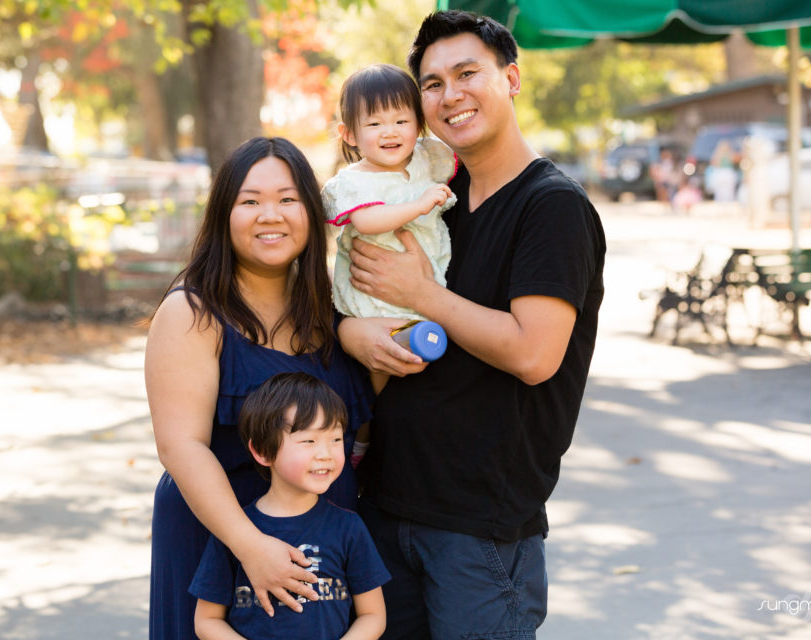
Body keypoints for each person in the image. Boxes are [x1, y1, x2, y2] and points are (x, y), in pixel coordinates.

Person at [338, 10, 607, 639]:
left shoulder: (553, 207)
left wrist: (423, 295)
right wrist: (356, 335)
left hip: (479, 531)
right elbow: (361, 301)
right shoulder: (435, 199)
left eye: (468, 73)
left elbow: (534, 354)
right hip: (385, 507)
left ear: (510, 78)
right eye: (432, 84)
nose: (450, 94)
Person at [146, 137, 374, 640]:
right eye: (250, 201)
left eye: (288, 199)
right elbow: (180, 446)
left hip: (325, 553)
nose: (270, 214)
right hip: (214, 539)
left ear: (312, 214)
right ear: (224, 215)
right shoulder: (192, 313)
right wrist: (249, 545)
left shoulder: (335, 312)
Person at [323, 62, 457, 465]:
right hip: (375, 295)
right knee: (379, 370)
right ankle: (366, 436)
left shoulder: (424, 161)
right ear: (349, 134)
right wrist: (417, 205)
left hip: (421, 282)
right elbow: (366, 220)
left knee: (416, 364)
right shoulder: (353, 182)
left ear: (419, 124)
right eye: (375, 123)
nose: (390, 132)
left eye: (401, 120)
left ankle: (380, 435)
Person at [191, 372, 390, 640]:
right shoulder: (235, 530)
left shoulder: (348, 528)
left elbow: (373, 615)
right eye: (308, 441)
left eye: (335, 439)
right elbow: (207, 621)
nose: (325, 454)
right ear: (263, 450)